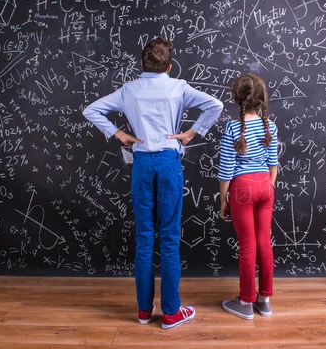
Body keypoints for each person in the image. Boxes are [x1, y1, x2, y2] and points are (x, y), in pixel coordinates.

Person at [83, 37, 223, 329]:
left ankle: (144, 311)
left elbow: (91, 110)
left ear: (141, 64)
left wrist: (119, 134)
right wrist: (191, 133)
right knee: (169, 239)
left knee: (145, 239)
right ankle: (172, 313)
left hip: (142, 165)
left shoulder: (129, 90)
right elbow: (216, 105)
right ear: (169, 66)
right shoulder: (179, 87)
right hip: (169, 165)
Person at [217, 73, 278, 320]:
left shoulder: (233, 127)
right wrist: (268, 187)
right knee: (264, 243)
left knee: (247, 246)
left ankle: (245, 301)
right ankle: (264, 301)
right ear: (262, 100)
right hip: (265, 185)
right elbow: (273, 163)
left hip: (242, 187)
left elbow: (226, 169)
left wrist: (224, 199)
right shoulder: (269, 126)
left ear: (237, 99)